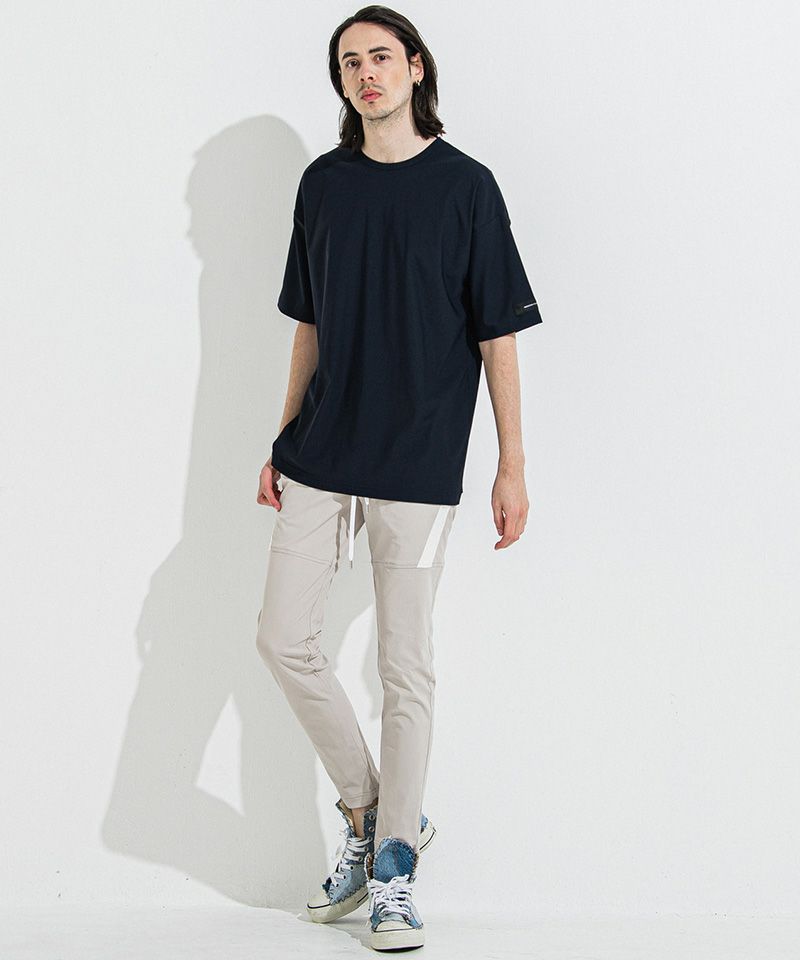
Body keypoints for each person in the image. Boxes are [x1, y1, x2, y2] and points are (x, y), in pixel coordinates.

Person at [255, 5, 542, 952]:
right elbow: (309, 322)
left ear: (417, 68)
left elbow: (497, 335)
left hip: (419, 459)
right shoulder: (323, 185)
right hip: (320, 450)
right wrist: (282, 435)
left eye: (381, 57)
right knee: (283, 638)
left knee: (403, 666)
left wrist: (511, 463)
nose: (365, 74)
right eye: (350, 63)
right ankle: (378, 810)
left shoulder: (468, 188)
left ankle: (392, 869)